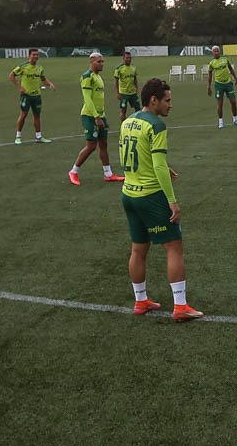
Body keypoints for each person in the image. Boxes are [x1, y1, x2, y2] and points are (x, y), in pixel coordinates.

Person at [119, 78, 202, 321]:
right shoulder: (156, 125)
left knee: (138, 248)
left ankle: (141, 300)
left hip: (129, 193)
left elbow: (136, 155)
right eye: (167, 100)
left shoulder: (127, 121)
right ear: (153, 100)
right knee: (174, 246)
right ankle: (180, 306)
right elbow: (155, 163)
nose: (170, 105)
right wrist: (172, 200)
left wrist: (167, 167)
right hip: (150, 195)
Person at [69, 53, 125, 186]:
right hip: (90, 115)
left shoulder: (98, 77)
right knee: (91, 146)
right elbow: (87, 99)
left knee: (103, 144)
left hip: (101, 115)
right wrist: (96, 116)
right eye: (99, 61)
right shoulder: (87, 77)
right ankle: (73, 171)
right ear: (92, 62)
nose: (102, 64)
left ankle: (108, 174)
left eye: (103, 61)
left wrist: (102, 115)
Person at [10, 48, 56, 144]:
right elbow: (11, 75)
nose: (36, 56)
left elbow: (43, 79)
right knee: (23, 114)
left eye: (37, 55)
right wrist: (19, 87)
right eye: (34, 54)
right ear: (29, 56)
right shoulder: (23, 66)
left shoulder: (40, 68)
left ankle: (38, 137)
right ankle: (18, 136)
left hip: (37, 96)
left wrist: (50, 84)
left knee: (37, 116)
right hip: (26, 95)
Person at [206, 45, 237, 128]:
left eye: (217, 51)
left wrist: (236, 79)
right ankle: (220, 122)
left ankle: (235, 120)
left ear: (219, 52)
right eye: (214, 51)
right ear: (212, 53)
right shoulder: (211, 63)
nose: (216, 52)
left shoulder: (225, 59)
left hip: (228, 83)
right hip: (219, 85)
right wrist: (208, 87)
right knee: (220, 104)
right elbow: (210, 76)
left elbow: (231, 69)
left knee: (233, 102)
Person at [114, 50, 140, 119]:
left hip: (132, 93)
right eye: (127, 58)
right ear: (123, 58)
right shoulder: (119, 69)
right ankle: (123, 125)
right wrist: (117, 93)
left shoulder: (133, 68)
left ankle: (136, 122)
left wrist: (137, 89)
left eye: (130, 58)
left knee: (138, 109)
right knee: (123, 110)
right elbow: (116, 81)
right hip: (123, 93)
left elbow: (135, 79)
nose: (128, 59)